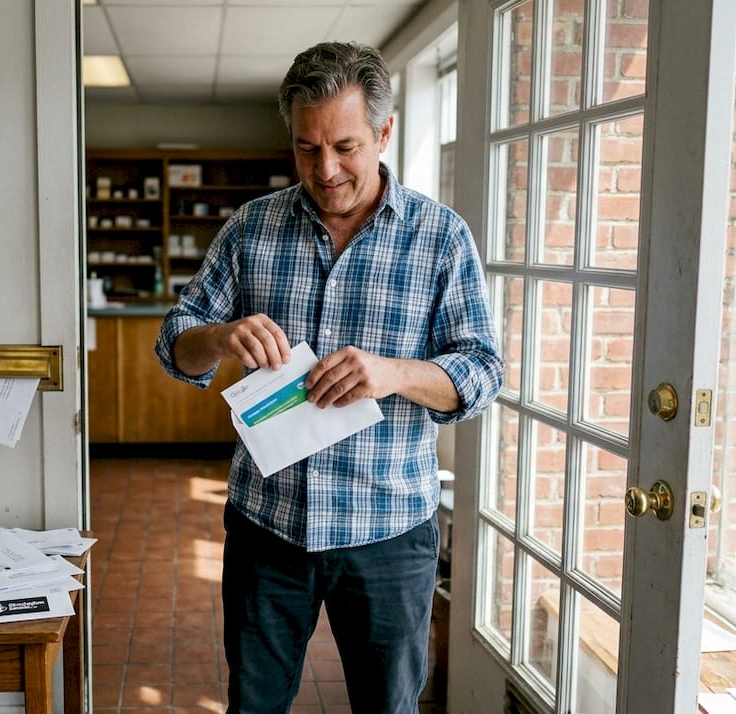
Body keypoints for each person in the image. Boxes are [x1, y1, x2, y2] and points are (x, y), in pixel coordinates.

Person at [155, 41, 504, 713]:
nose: (327, 169)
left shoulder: (441, 238)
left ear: (384, 132)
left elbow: (484, 372)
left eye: (345, 146)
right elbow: (176, 344)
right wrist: (223, 337)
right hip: (267, 529)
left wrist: (397, 373)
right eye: (306, 149)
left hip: (388, 533)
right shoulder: (251, 229)